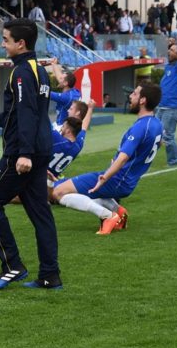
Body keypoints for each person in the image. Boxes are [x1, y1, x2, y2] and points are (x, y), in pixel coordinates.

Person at [0, 18, 61, 290]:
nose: (2, 44)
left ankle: (13, 266)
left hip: (21, 154)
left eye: (6, 39)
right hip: (40, 149)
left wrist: (24, 153)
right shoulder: (39, 70)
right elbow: (26, 112)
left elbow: (26, 113)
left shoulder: (22, 72)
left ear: (20, 43)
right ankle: (50, 276)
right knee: (40, 214)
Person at [51, 83, 164, 235]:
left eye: (135, 94)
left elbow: (123, 158)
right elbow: (158, 144)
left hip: (118, 179)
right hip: (127, 180)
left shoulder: (140, 127)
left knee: (58, 193)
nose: (130, 96)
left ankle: (108, 216)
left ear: (143, 100)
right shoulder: (156, 123)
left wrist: (104, 178)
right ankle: (118, 211)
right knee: (78, 190)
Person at [156, 35, 177, 167]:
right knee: (154, 134)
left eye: (172, 51)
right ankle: (144, 160)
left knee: (167, 137)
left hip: (173, 108)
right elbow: (173, 54)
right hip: (163, 107)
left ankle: (175, 163)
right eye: (169, 51)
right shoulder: (170, 66)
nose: (169, 52)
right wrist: (171, 45)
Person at [48, 58, 81, 128]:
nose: (59, 78)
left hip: (63, 128)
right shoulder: (74, 92)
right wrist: (54, 64)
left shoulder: (65, 97)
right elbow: (60, 76)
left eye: (61, 78)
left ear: (66, 83)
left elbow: (45, 92)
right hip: (70, 127)